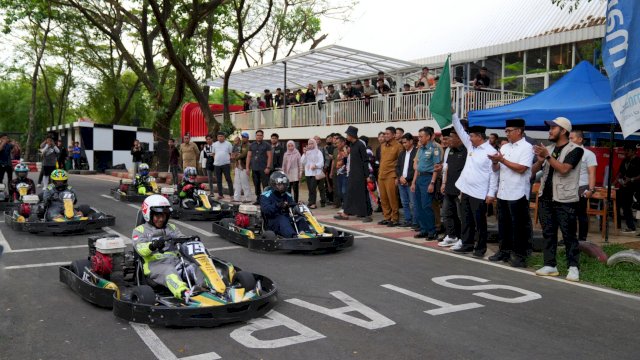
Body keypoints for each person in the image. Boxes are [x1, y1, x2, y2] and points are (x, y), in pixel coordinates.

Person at [532, 117, 583, 282]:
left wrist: (547, 156)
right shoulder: (548, 149)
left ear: (563, 130)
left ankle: (573, 267)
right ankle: (550, 265)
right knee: (548, 233)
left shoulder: (576, 150)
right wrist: (539, 161)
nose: (550, 130)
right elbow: (533, 173)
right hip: (546, 198)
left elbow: (564, 169)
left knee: (569, 235)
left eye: (553, 128)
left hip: (565, 199)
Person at [132, 195, 199, 300]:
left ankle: (207, 288)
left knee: (195, 266)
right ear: (148, 214)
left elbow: (181, 239)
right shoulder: (140, 230)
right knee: (169, 270)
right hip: (155, 266)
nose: (161, 219)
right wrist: (153, 245)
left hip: (176, 262)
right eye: (157, 216)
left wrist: (189, 241)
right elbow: (140, 248)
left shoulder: (171, 228)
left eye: (164, 216)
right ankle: (184, 293)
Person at [487, 119, 534, 267]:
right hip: (503, 191)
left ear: (519, 131)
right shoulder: (505, 147)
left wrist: (502, 160)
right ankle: (504, 251)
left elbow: (522, 168)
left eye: (509, 131)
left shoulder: (527, 147)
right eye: (505, 131)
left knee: (518, 226)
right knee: (503, 224)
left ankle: (519, 255)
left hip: (518, 192)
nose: (506, 133)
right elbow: (496, 169)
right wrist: (495, 161)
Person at [451, 114, 498, 256]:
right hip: (465, 189)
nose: (469, 138)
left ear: (479, 136)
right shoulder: (472, 147)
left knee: (479, 222)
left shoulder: (491, 152)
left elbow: (494, 174)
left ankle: (481, 248)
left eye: (471, 136)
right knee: (466, 219)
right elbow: (460, 130)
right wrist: (453, 114)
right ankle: (467, 244)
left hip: (479, 192)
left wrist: (491, 193)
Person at [410, 127, 442, 239]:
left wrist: (432, 183)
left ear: (428, 137)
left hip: (428, 179)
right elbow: (417, 167)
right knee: (418, 206)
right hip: (419, 178)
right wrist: (413, 182)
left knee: (426, 206)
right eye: (418, 136)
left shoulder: (435, 148)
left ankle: (432, 231)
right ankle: (423, 229)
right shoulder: (421, 149)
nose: (419, 138)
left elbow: (436, 168)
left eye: (421, 136)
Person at [438, 127, 466, 247]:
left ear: (459, 138)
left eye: (451, 137)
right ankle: (451, 236)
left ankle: (462, 238)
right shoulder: (450, 150)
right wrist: (444, 183)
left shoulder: (465, 151)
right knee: (446, 213)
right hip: (449, 187)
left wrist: (463, 189)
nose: (448, 140)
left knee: (461, 216)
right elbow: (447, 168)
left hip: (460, 189)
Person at [337, 126, 372, 222]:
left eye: (347, 134)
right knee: (350, 193)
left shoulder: (360, 145)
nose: (346, 136)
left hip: (360, 174)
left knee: (361, 194)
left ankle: (366, 215)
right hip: (352, 173)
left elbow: (365, 160)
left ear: (352, 135)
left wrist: (367, 175)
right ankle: (346, 213)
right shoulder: (352, 145)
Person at [260, 171, 310, 238]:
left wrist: (297, 205)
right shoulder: (266, 196)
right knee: (282, 219)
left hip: (286, 219)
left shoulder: (287, 195)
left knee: (300, 219)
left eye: (283, 184)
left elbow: (291, 206)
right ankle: (293, 237)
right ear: (274, 184)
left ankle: (307, 234)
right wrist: (278, 205)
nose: (282, 186)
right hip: (272, 221)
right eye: (280, 184)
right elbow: (266, 210)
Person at [570, 130, 597, 241]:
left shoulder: (588, 154)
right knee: (568, 215)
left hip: (582, 187)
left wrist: (591, 189)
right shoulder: (567, 152)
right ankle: (570, 237)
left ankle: (582, 239)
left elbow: (592, 173)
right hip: (568, 188)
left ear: (580, 139)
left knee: (581, 214)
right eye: (569, 138)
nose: (569, 140)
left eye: (572, 138)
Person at [378, 126, 404, 227]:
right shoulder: (383, 145)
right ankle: (386, 217)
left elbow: (400, 163)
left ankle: (395, 218)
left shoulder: (398, 146)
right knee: (383, 198)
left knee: (392, 198)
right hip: (382, 174)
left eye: (388, 134)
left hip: (392, 175)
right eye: (385, 133)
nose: (385, 135)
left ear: (393, 135)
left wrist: (398, 177)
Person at [614, 142, 640, 234]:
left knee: (627, 207)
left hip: (634, 187)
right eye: (625, 151)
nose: (625, 153)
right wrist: (614, 183)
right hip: (623, 186)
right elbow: (620, 173)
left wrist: (631, 179)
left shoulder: (638, 161)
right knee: (616, 203)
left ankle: (631, 227)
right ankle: (618, 225)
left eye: (627, 151)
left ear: (633, 151)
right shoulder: (625, 161)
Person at [396, 133, 417, 227]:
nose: (404, 144)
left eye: (405, 142)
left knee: (413, 203)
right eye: (403, 143)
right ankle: (408, 220)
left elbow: (416, 169)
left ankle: (415, 222)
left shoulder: (416, 152)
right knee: (404, 203)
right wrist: (400, 177)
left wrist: (407, 178)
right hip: (401, 181)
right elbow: (398, 167)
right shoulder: (402, 153)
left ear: (411, 141)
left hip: (411, 182)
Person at [246, 130, 272, 204]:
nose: (259, 136)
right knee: (256, 185)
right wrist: (247, 168)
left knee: (265, 185)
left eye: (260, 135)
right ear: (255, 136)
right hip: (254, 168)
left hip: (264, 169)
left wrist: (268, 167)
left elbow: (269, 156)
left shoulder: (267, 145)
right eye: (258, 135)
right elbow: (248, 156)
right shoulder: (252, 145)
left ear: (263, 136)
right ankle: (258, 199)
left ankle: (266, 200)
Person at [301, 138, 326, 209]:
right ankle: (311, 202)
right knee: (310, 188)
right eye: (309, 143)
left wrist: (316, 165)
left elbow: (321, 162)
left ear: (315, 144)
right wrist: (304, 153)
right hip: (308, 173)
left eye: (312, 143)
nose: (310, 145)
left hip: (315, 173)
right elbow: (302, 162)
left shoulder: (318, 152)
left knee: (313, 188)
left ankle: (313, 203)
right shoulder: (307, 152)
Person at [211, 132, 234, 200]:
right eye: (219, 136)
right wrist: (216, 160)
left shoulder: (228, 144)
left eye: (221, 136)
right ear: (217, 137)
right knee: (218, 180)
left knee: (228, 179)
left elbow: (230, 153)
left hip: (226, 164)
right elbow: (213, 154)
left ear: (224, 137)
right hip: (217, 165)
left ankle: (231, 195)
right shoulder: (214, 144)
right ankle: (220, 195)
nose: (220, 137)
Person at [233, 133, 252, 203]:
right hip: (238, 166)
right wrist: (236, 157)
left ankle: (248, 198)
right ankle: (236, 198)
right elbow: (235, 153)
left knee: (245, 183)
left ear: (248, 138)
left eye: (245, 137)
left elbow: (244, 155)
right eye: (242, 137)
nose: (243, 138)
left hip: (244, 167)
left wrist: (237, 156)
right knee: (237, 183)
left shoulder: (249, 145)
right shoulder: (240, 145)